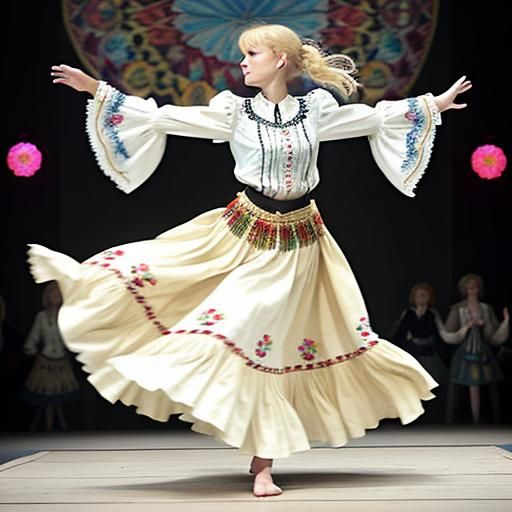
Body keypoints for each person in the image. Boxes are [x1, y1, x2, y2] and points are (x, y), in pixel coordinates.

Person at [27, 24, 471, 496]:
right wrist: (96, 88)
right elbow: (163, 118)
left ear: (279, 59)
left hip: (301, 241)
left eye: (252, 53)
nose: (242, 62)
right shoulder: (234, 113)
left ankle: (262, 464)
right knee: (239, 323)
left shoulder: (314, 111)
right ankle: (86, 283)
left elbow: (375, 119)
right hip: (245, 232)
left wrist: (432, 105)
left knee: (274, 344)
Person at [392, 282, 469, 421]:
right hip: (413, 352)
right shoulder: (408, 314)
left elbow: (444, 334)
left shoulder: (432, 314)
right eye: (418, 295)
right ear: (413, 298)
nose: (421, 298)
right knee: (410, 384)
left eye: (424, 295)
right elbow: (399, 334)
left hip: (429, 353)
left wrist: (464, 329)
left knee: (434, 383)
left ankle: (428, 414)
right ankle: (412, 415)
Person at [445, 274, 509, 424]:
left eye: (475, 286)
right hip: (466, 351)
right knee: (470, 385)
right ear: (465, 289)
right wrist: (467, 327)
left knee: (491, 384)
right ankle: (472, 420)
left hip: (482, 351)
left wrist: (505, 322)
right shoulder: (458, 308)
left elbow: (493, 335)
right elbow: (449, 332)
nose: (472, 289)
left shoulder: (485, 308)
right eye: (469, 287)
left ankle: (493, 418)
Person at [22, 282, 80, 431]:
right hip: (46, 359)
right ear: (47, 296)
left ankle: (60, 425)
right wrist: (31, 350)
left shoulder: (65, 316)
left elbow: (69, 337)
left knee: (58, 396)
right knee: (47, 396)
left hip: (61, 359)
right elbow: (34, 337)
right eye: (53, 294)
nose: (56, 297)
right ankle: (48, 427)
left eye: (58, 294)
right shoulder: (41, 317)